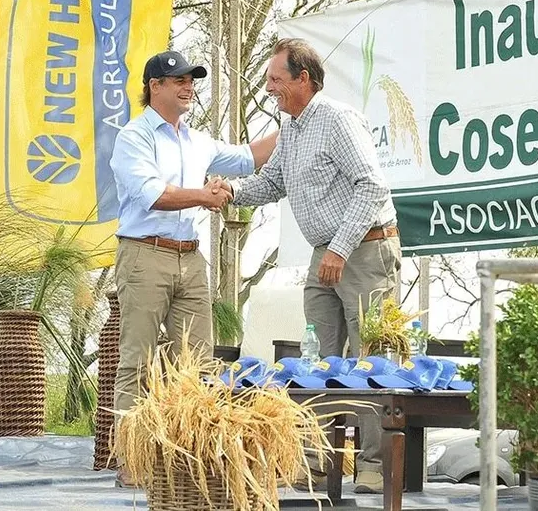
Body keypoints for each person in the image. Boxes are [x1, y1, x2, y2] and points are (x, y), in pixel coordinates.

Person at [223, 37, 400, 493]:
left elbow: (372, 185)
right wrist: (229, 195)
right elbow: (273, 182)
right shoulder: (293, 129)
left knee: (371, 361)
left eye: (275, 80)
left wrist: (340, 249)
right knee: (317, 359)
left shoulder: (337, 120)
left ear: (304, 79)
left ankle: (374, 468)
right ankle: (319, 464)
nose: (269, 89)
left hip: (363, 249)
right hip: (326, 252)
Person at [109, 50, 278, 484]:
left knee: (198, 362)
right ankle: (132, 461)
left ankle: (190, 454)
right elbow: (153, 194)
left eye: (192, 79)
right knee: (139, 361)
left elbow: (249, 157)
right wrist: (205, 196)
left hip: (190, 256)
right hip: (144, 254)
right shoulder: (134, 137)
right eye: (179, 79)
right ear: (154, 87)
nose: (189, 86)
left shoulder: (199, 140)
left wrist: (296, 114)